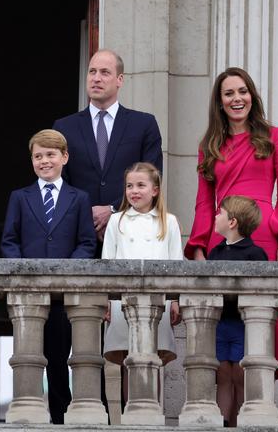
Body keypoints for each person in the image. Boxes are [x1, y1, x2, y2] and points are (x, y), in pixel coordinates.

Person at [184, 67, 278, 375]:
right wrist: (199, 248)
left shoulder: (276, 137)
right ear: (219, 102)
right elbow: (204, 203)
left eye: (242, 91)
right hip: (222, 241)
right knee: (226, 336)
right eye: (229, 93)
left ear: (252, 96)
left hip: (264, 237)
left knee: (261, 327)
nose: (236, 98)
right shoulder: (209, 146)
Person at [1, 129, 96, 424]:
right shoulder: (20, 197)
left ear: (64, 157)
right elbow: (9, 240)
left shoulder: (79, 198)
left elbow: (87, 243)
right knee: (27, 358)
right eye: (38, 156)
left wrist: (66, 271)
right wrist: (23, 272)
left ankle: (59, 419)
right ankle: (25, 418)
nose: (44, 161)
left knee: (58, 359)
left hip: (62, 295)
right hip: (28, 293)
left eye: (50, 155)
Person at [52, 49, 163, 243]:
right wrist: (87, 215)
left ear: (120, 79)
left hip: (130, 232)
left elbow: (153, 177)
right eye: (92, 71)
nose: (96, 78)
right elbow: (58, 182)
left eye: (104, 72)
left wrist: (112, 210)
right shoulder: (64, 127)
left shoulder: (144, 124)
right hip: (77, 236)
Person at [102, 162, 182, 404]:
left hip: (158, 301)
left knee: (153, 358)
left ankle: (152, 416)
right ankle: (131, 417)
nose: (134, 191)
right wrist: (105, 299)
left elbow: (176, 263)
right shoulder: (117, 221)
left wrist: (176, 299)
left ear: (155, 190)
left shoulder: (169, 221)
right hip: (123, 301)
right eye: (129, 186)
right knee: (129, 360)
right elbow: (107, 262)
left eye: (140, 185)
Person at [208, 195, 267, 427]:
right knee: (222, 374)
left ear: (232, 222)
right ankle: (222, 422)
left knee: (241, 376)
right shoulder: (216, 252)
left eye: (219, 213)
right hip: (220, 323)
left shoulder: (255, 254)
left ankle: (241, 423)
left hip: (243, 325)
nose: (216, 216)